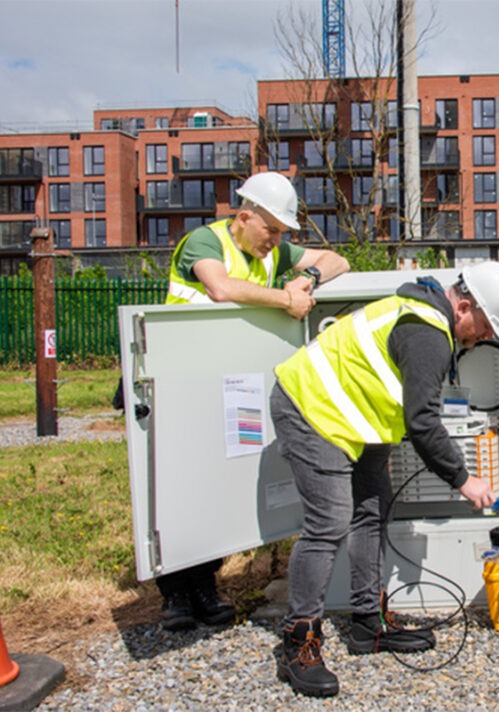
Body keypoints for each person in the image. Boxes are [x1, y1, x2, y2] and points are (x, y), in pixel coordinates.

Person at [269, 260, 499, 698]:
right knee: (328, 523)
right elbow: (423, 422)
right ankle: (300, 641)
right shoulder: (427, 334)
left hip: (355, 421)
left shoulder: (423, 316)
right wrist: (465, 479)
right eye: (484, 327)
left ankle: (368, 624)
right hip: (310, 409)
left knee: (371, 510)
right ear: (463, 306)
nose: (484, 338)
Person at [151, 171, 350, 633]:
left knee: (220, 479)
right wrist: (285, 297)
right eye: (272, 231)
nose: (277, 242)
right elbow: (220, 289)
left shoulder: (274, 250)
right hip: (180, 377)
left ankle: (205, 585)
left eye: (282, 234)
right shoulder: (205, 242)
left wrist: (311, 276)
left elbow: (335, 259)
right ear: (244, 217)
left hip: (224, 380)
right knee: (181, 483)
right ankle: (175, 594)